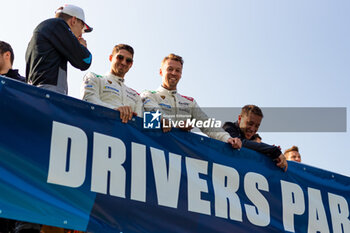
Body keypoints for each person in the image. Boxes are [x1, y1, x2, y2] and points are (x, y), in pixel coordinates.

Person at [141, 53, 241, 149]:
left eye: (178, 70)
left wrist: (227, 138)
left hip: (179, 156)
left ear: (181, 74)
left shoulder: (189, 102)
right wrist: (175, 126)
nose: (174, 73)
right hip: (155, 149)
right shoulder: (149, 94)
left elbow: (206, 124)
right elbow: (152, 115)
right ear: (161, 72)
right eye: (170, 69)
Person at [26, 4, 93, 95]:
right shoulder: (59, 25)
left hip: (34, 92)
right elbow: (85, 61)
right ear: (73, 20)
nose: (81, 35)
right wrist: (82, 47)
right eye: (81, 28)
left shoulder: (43, 29)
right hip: (50, 94)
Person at [81, 44, 142, 123]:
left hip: (126, 134)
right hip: (100, 128)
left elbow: (140, 120)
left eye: (128, 60)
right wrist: (115, 110)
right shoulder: (94, 78)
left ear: (131, 64)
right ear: (110, 58)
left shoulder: (136, 95)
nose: (123, 62)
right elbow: (89, 101)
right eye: (120, 58)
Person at [223, 105, 288, 171]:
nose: (252, 129)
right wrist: (273, 150)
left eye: (257, 126)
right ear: (240, 119)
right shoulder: (228, 127)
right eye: (250, 124)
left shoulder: (255, 138)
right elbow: (240, 142)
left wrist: (271, 154)